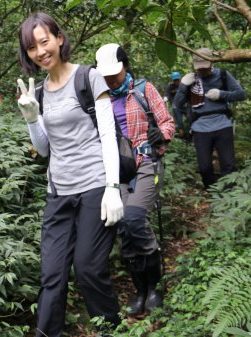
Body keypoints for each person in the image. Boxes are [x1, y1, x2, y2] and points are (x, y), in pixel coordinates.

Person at [16, 13, 123, 336]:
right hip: (59, 191)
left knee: (89, 268)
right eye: (32, 47)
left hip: (95, 186)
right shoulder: (42, 92)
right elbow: (45, 150)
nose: (40, 51)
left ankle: (110, 330)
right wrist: (32, 118)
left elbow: (107, 134)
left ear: (59, 39)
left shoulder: (88, 78)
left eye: (44, 41)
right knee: (52, 275)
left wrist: (113, 187)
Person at [95, 43, 175, 317]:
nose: (111, 79)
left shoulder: (143, 89)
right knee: (123, 228)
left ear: (126, 66)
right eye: (106, 75)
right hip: (115, 170)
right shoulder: (99, 99)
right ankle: (140, 291)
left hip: (146, 162)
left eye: (115, 73)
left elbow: (167, 122)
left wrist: (161, 135)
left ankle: (155, 288)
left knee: (134, 218)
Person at [173, 48, 245, 189]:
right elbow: (177, 104)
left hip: (222, 124)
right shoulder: (191, 80)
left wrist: (221, 94)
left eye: (205, 68)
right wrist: (183, 86)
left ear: (212, 63)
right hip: (200, 127)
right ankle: (212, 192)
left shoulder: (223, 75)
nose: (202, 71)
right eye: (199, 68)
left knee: (228, 165)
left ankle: (229, 196)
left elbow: (241, 94)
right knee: (204, 167)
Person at [165, 72, 189, 140]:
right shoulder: (170, 86)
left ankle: (189, 135)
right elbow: (167, 94)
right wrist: (166, 98)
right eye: (175, 80)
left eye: (177, 80)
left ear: (180, 79)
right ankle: (181, 134)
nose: (176, 82)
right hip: (176, 106)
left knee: (190, 119)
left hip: (185, 105)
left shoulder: (184, 85)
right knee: (179, 121)